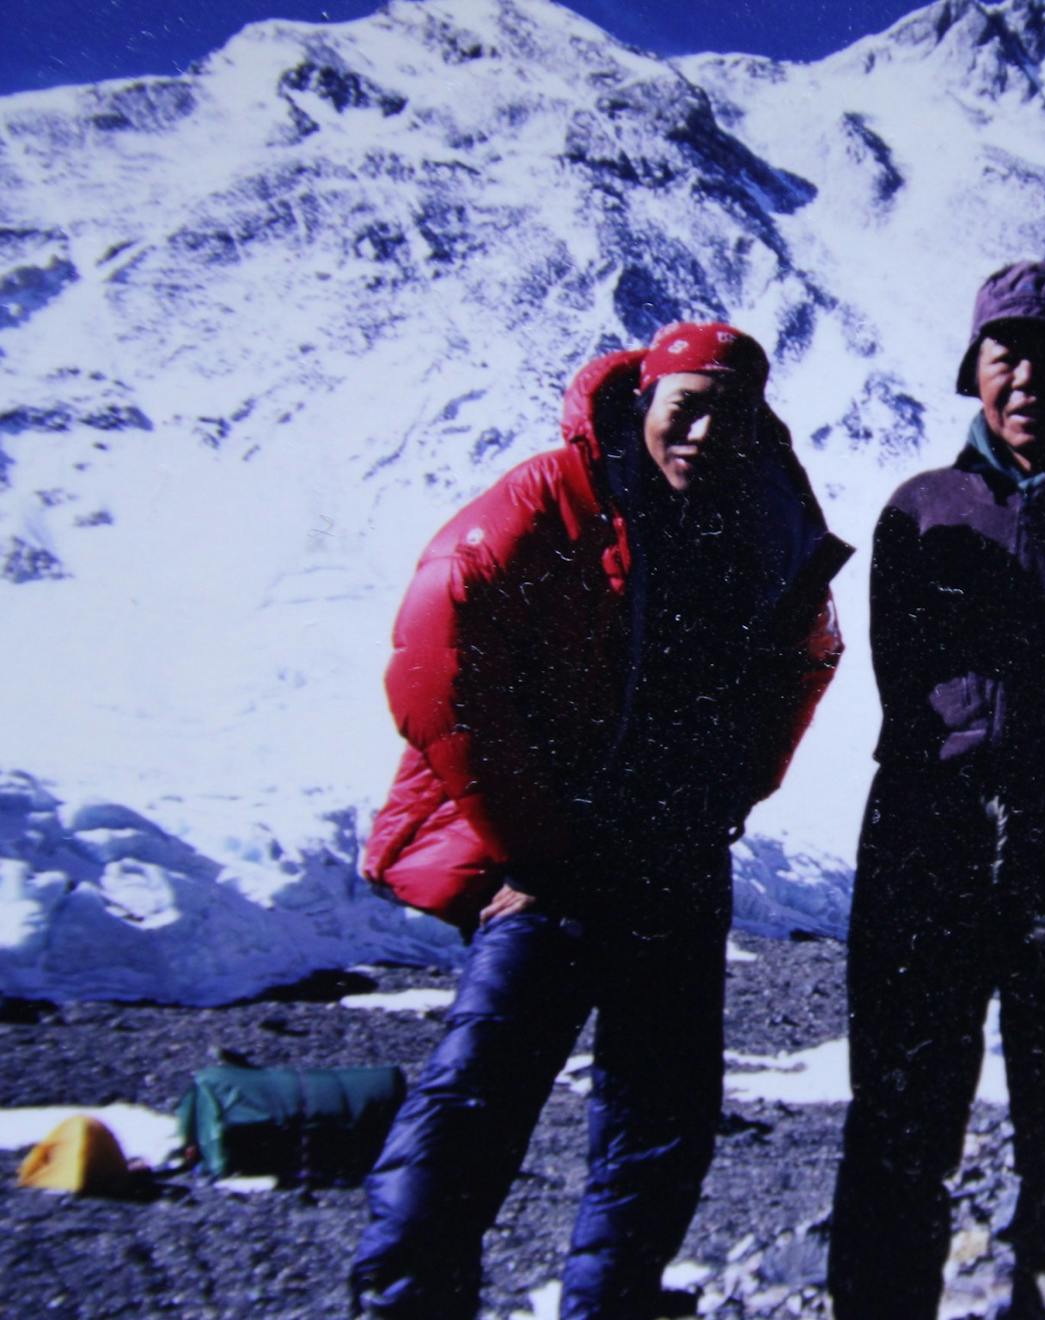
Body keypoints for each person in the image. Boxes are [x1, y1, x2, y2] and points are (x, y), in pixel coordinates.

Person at [348, 323, 851, 1320]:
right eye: (687, 406)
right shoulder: (554, 496)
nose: (706, 430)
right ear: (643, 404)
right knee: (472, 1100)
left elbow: (807, 656)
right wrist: (530, 837)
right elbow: (433, 657)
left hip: (676, 859)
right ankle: (404, 1302)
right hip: (559, 862)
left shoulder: (761, 523)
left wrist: (734, 792)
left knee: (659, 1122)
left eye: (730, 411)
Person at [827, 262, 1045, 1319]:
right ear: (974, 371)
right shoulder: (917, 511)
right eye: (1005, 352)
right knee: (899, 1111)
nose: (1027, 375)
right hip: (926, 835)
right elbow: (905, 686)